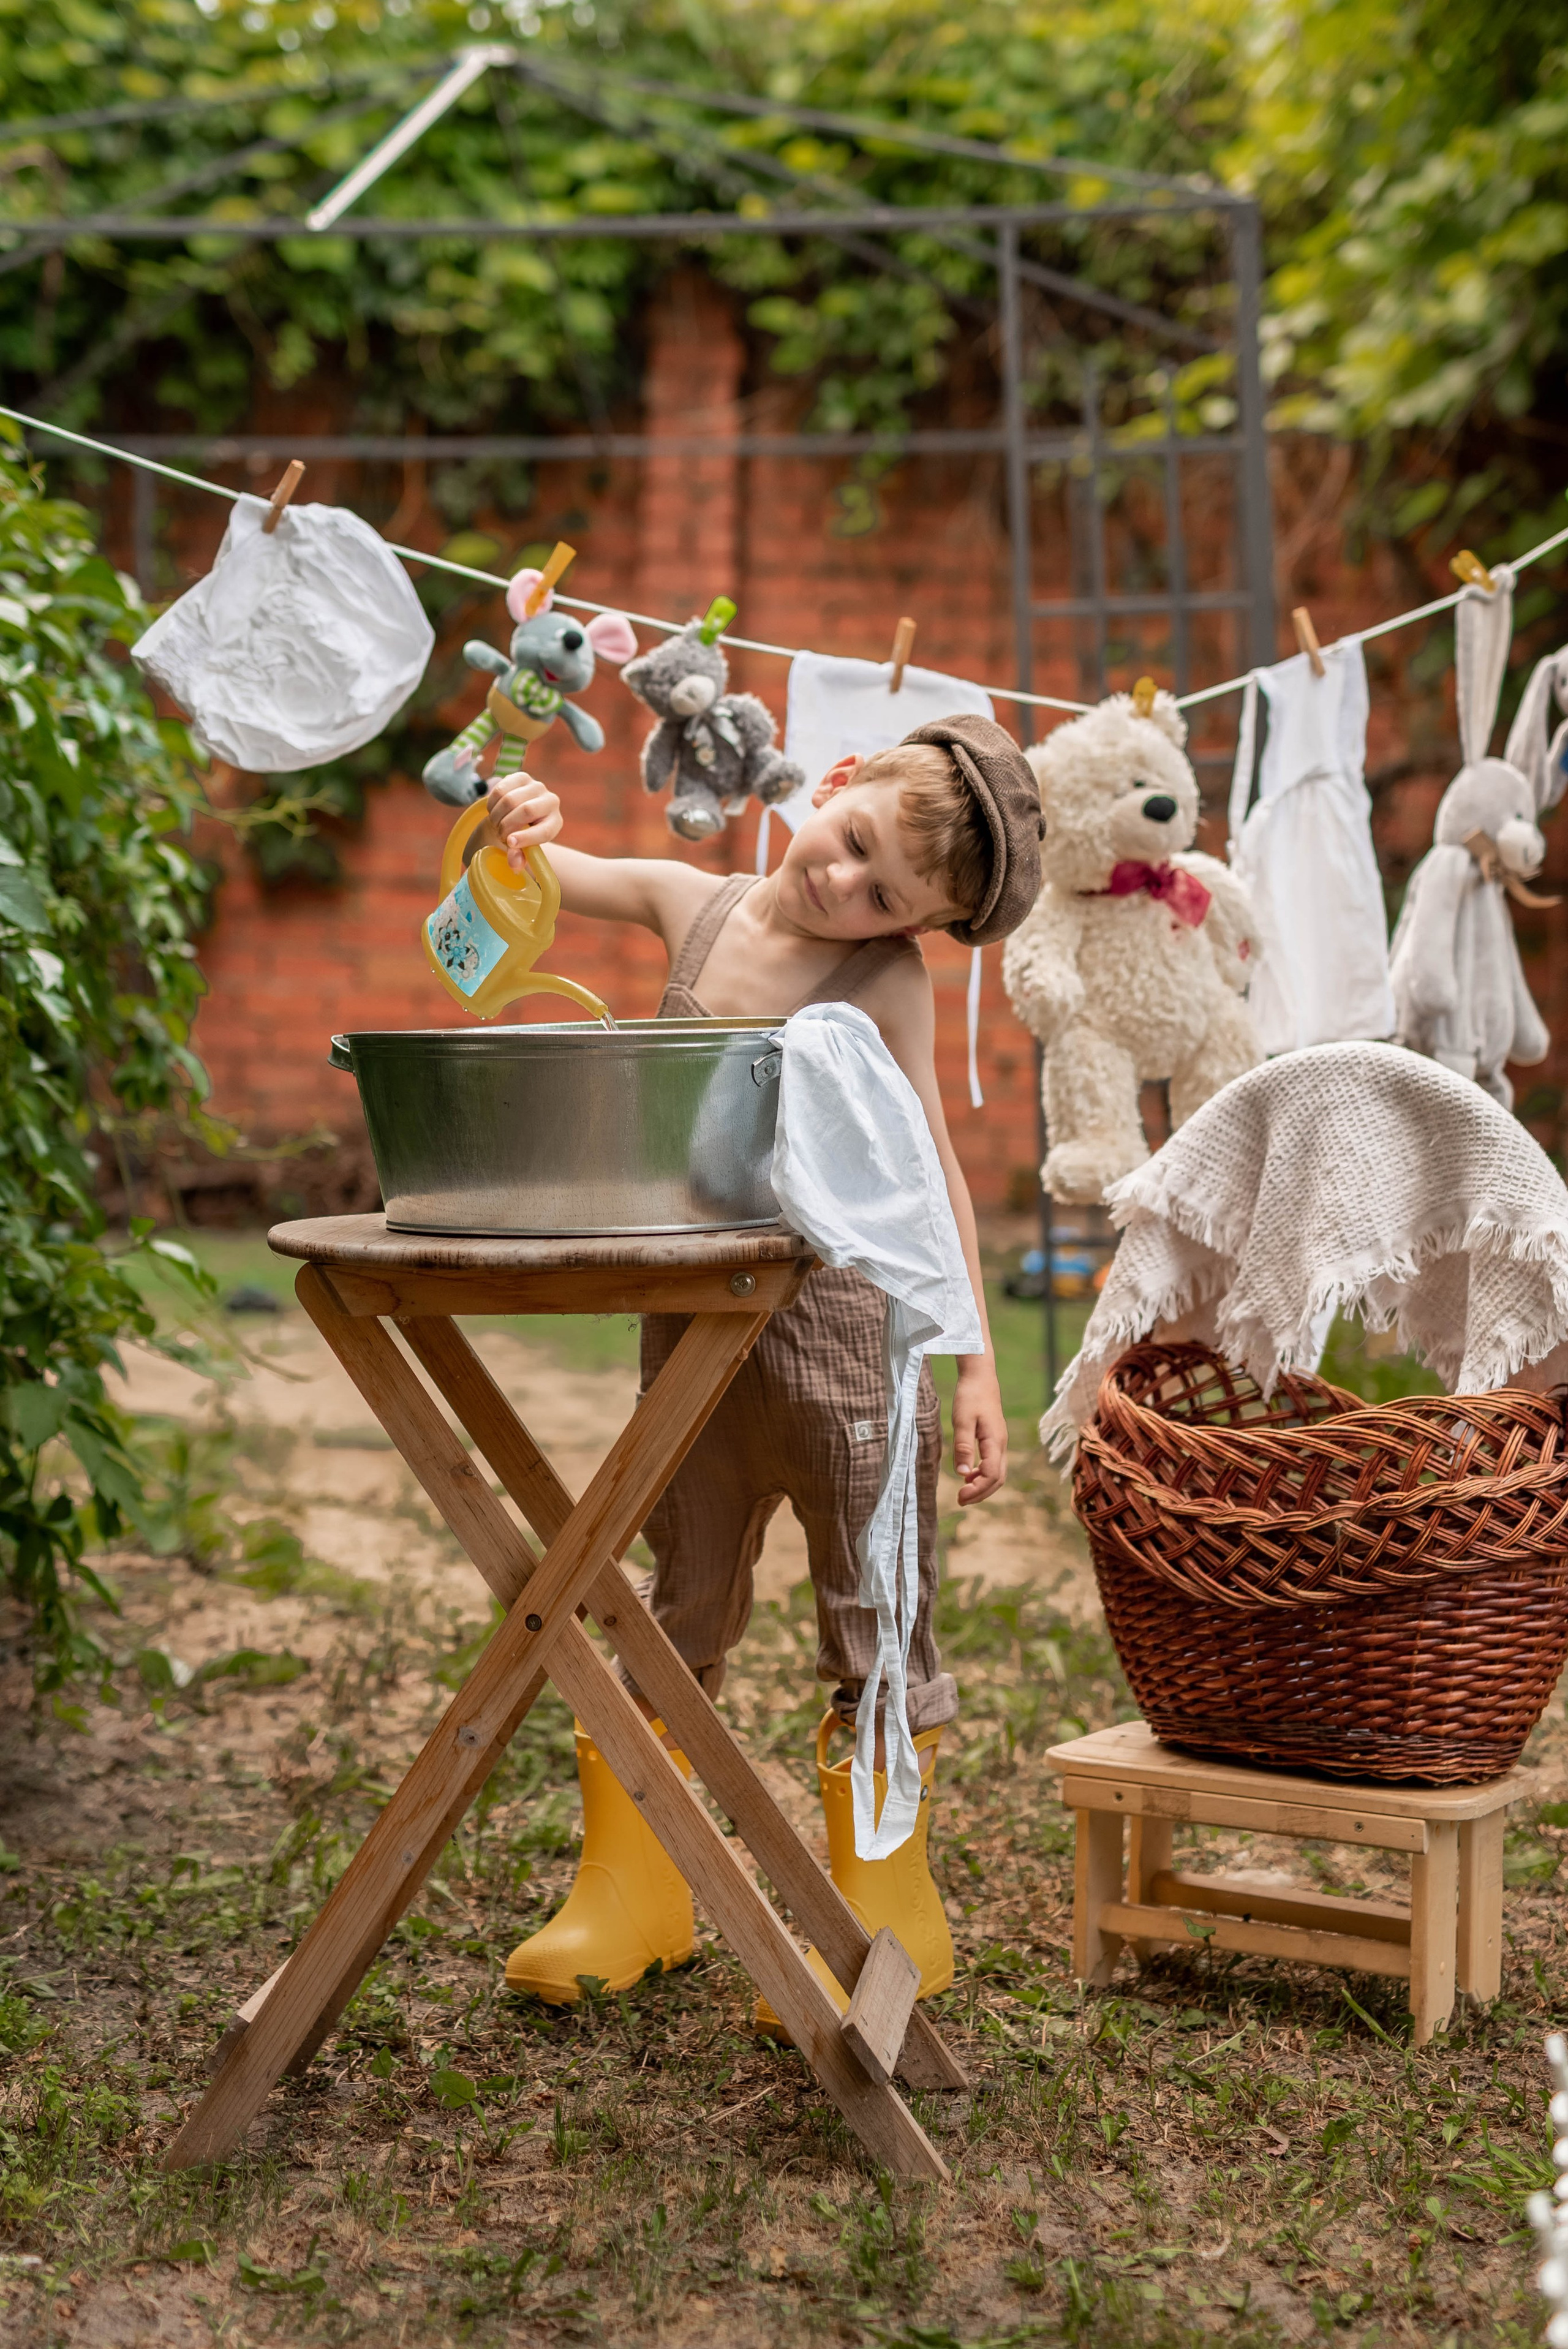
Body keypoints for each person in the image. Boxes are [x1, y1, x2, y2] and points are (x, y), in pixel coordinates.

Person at [483, 714, 1043, 2028]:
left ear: (917, 926)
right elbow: (552, 876)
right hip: (696, 1340)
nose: (842, 885)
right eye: (849, 842)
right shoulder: (693, 905)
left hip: (847, 1350)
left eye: (885, 895)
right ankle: (635, 1894)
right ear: (832, 785)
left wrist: (970, 1367)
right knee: (675, 1599)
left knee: (872, 1612)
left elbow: (930, 1174)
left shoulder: (884, 983)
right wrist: (519, 822)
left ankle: (887, 1915)